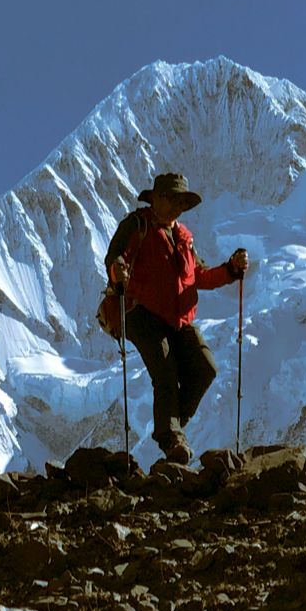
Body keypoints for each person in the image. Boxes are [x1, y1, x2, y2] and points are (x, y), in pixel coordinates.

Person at [105, 173, 248, 464]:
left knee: (205, 367)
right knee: (166, 372)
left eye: (180, 202)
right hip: (141, 313)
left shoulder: (183, 237)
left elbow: (200, 276)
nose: (176, 207)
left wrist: (231, 270)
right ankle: (171, 438)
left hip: (178, 318)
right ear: (155, 198)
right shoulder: (137, 225)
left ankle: (171, 426)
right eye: (171, 199)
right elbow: (114, 256)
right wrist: (117, 270)